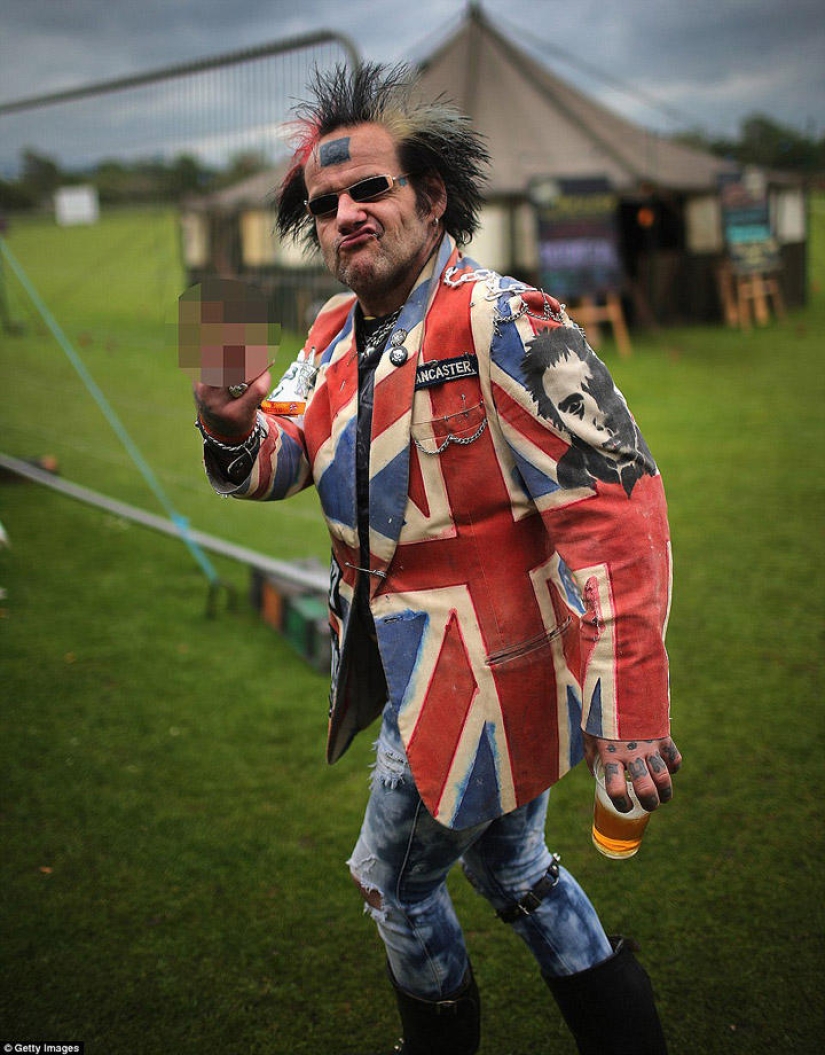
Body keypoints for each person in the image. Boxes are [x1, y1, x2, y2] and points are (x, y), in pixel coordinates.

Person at [192, 62, 682, 1055]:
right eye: (326, 204)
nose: (346, 214)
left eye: (370, 187)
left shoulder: (510, 321)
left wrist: (628, 712)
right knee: (513, 868)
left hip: (480, 685)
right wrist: (236, 429)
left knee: (394, 879)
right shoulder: (333, 328)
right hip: (413, 663)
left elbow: (616, 514)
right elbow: (287, 454)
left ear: (433, 196)